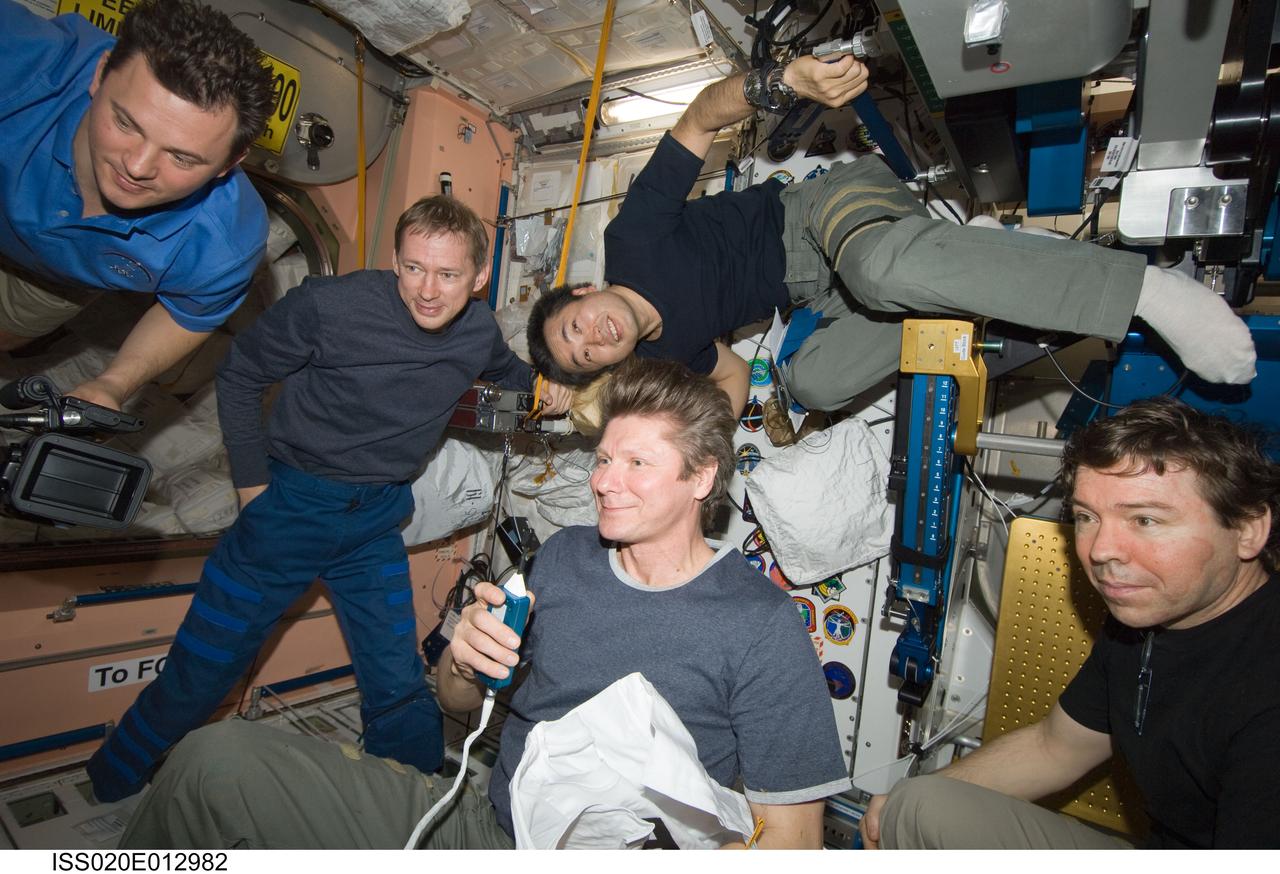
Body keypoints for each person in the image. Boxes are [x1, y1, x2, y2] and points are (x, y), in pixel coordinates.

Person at [116, 357, 850, 849]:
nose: (603, 482)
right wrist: (464, 660)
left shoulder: (758, 624)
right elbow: (460, 706)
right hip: (483, 822)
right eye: (601, 460)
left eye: (636, 463)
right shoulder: (563, 559)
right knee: (213, 759)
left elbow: (790, 838)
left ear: (701, 479)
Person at [87, 196, 571, 803]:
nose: (426, 289)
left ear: (477, 279)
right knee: (202, 671)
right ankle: (112, 779)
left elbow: (509, 373)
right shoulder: (327, 305)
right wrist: (251, 487)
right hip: (290, 508)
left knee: (396, 681)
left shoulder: (476, 332)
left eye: (448, 275)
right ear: (396, 259)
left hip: (375, 521)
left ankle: (406, 808)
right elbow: (240, 374)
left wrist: (547, 387)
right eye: (414, 267)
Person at [526, 55, 1257, 416]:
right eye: (584, 355)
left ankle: (1143, 290)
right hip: (827, 292)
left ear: (584, 291)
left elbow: (697, 118)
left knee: (878, 270)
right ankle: (971, 274)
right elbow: (730, 376)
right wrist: (708, 439)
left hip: (822, 213)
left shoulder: (634, 239)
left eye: (575, 325)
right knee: (811, 384)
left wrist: (782, 81)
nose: (592, 339)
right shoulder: (664, 351)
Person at [858, 396, 1280, 849]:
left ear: (1249, 529)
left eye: (1145, 519)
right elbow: (1054, 748)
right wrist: (902, 800)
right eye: (1086, 517)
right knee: (919, 805)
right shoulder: (1143, 621)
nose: (1101, 550)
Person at [0, 0, 277, 410]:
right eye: (126, 123)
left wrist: (114, 383)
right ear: (100, 74)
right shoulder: (18, 58)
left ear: (230, 163)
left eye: (182, 158)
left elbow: (189, 314)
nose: (137, 167)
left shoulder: (228, 241)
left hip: (54, 279)